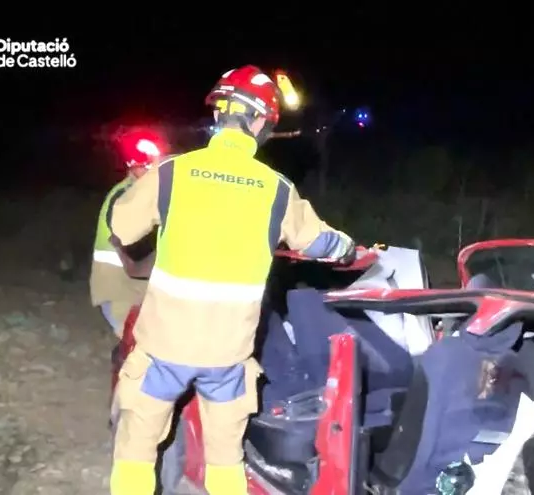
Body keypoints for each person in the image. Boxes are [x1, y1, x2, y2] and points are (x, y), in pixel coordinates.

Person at [107, 65, 355, 495]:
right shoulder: (276, 189)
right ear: (260, 122)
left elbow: (122, 227)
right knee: (227, 461)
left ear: (219, 115)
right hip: (227, 357)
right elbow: (321, 243)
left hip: (164, 348)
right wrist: (348, 248)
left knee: (136, 450)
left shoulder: (172, 172)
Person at [89, 128, 166, 337]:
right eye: (149, 166)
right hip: (119, 290)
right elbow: (138, 261)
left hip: (136, 289)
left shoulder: (136, 192)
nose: (153, 172)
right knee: (138, 353)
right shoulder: (128, 198)